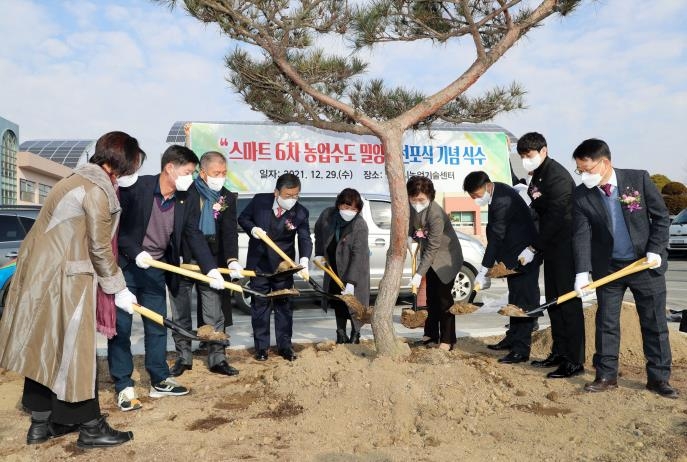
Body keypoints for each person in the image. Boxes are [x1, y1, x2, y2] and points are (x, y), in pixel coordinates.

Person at [0, 131, 145, 448]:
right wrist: (118, 288)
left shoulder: (73, 180)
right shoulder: (96, 190)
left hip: (44, 275)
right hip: (67, 279)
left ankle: (42, 425)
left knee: (45, 346)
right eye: (133, 165)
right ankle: (91, 426)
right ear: (120, 163)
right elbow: (99, 247)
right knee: (75, 353)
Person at [109, 145, 225, 411]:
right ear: (169, 168)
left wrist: (211, 269)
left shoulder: (185, 199)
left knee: (158, 326)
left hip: (157, 269)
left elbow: (193, 235)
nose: (191, 177)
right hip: (127, 267)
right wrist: (136, 253)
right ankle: (124, 385)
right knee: (121, 329)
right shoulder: (137, 189)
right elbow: (119, 229)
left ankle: (159, 379)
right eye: (188, 172)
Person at [571, 139, 677, 398]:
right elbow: (581, 234)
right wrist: (582, 272)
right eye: (579, 171)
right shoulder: (582, 195)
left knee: (654, 322)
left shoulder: (637, 180)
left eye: (587, 169)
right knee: (606, 322)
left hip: (644, 264)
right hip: (608, 268)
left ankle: (658, 378)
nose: (583, 176)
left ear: (605, 163)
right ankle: (606, 374)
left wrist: (655, 248)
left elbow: (661, 217)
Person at [517, 132, 585, 378]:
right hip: (552, 246)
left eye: (529, 155)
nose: (526, 159)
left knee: (568, 303)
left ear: (543, 151)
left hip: (565, 245)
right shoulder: (538, 175)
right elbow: (538, 208)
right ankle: (559, 352)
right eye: (523, 156)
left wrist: (534, 248)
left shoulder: (557, 176)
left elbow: (556, 217)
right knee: (555, 303)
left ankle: (574, 361)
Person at [168, 151, 242, 378]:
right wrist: (174, 253)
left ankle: (217, 358)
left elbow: (229, 233)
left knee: (214, 312)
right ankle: (183, 357)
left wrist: (232, 260)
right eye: (215, 173)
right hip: (183, 261)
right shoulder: (186, 193)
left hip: (211, 263)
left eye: (224, 173)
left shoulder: (227, 197)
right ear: (202, 172)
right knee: (180, 312)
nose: (220, 177)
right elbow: (175, 226)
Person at [463, 171, 541, 363]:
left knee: (523, 304)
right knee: (514, 299)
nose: (475, 200)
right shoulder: (497, 191)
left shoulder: (502, 200)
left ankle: (521, 350)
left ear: (487, 186)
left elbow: (497, 238)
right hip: (513, 258)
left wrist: (483, 270)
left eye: (476, 195)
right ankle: (512, 338)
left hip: (525, 256)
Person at [238, 173, 312, 361]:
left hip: (283, 267)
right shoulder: (260, 202)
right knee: (260, 306)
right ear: (276, 192)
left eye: (296, 195)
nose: (292, 200)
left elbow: (304, 238)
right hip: (259, 264)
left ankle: (285, 346)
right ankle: (261, 348)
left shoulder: (301, 212)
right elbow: (243, 218)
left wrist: (304, 260)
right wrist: (252, 229)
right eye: (288, 196)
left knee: (284, 307)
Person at [406, 176, 463, 350]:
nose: (417, 203)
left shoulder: (435, 214)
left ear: (430, 196)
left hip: (446, 259)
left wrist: (418, 274)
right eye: (413, 199)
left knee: (444, 300)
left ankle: (447, 340)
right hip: (429, 260)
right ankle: (430, 334)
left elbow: (433, 247)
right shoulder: (411, 207)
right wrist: (410, 236)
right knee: (431, 299)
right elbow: (412, 226)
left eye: (421, 199)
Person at [314, 188, 370, 344]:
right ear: (338, 205)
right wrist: (319, 253)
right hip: (334, 267)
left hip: (354, 269)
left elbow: (358, 255)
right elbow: (318, 231)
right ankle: (340, 333)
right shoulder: (328, 215)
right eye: (346, 207)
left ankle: (355, 334)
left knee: (353, 303)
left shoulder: (360, 225)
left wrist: (351, 282)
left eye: (353, 209)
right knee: (338, 300)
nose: (349, 211)